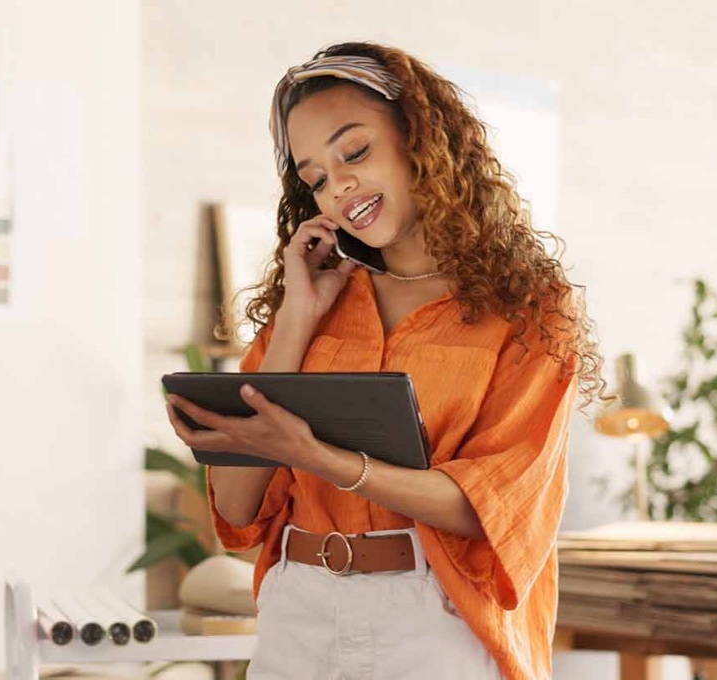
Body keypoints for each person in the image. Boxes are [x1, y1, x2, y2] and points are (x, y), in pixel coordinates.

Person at [165, 41, 605, 680]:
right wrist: (296, 317)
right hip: (298, 611)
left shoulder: (528, 306)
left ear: (420, 139)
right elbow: (236, 507)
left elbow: (489, 505)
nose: (338, 186)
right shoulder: (316, 298)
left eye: (356, 151)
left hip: (431, 617)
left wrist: (322, 459)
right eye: (315, 176)